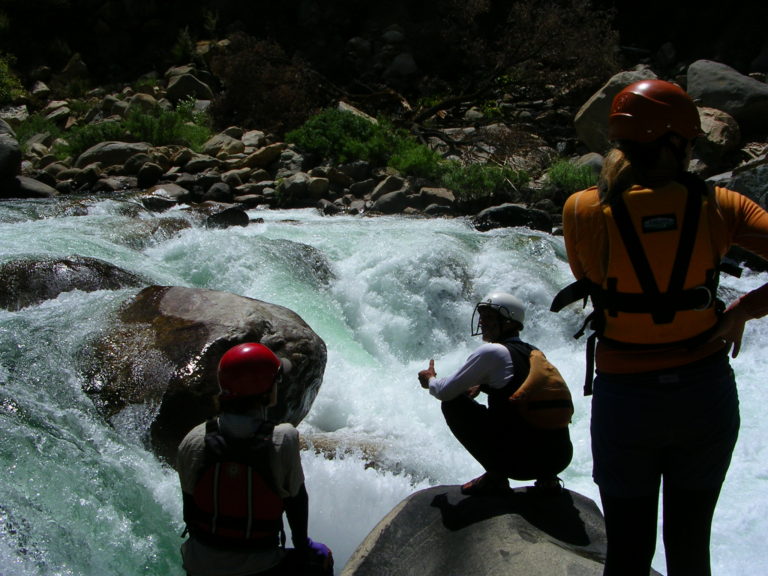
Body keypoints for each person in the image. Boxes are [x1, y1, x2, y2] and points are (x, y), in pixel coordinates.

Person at [554, 79, 768, 576]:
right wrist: (743, 311)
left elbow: (588, 277)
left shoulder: (581, 209)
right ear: (676, 141)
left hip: (626, 401)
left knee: (627, 554)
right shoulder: (723, 205)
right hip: (703, 394)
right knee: (691, 549)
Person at [176, 342, 333, 576]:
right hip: (260, 566)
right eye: (276, 382)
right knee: (321, 559)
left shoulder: (193, 439)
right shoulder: (283, 439)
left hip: (200, 565)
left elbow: (190, 512)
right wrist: (304, 547)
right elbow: (296, 503)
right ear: (267, 391)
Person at [417, 292, 573, 496]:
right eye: (481, 316)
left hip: (520, 463)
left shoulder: (492, 352)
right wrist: (483, 385)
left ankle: (496, 476)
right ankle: (547, 480)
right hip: (559, 458)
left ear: (508, 323)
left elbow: (444, 391)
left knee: (452, 403)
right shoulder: (534, 353)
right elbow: (517, 385)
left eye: (489, 317)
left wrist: (430, 379)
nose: (482, 322)